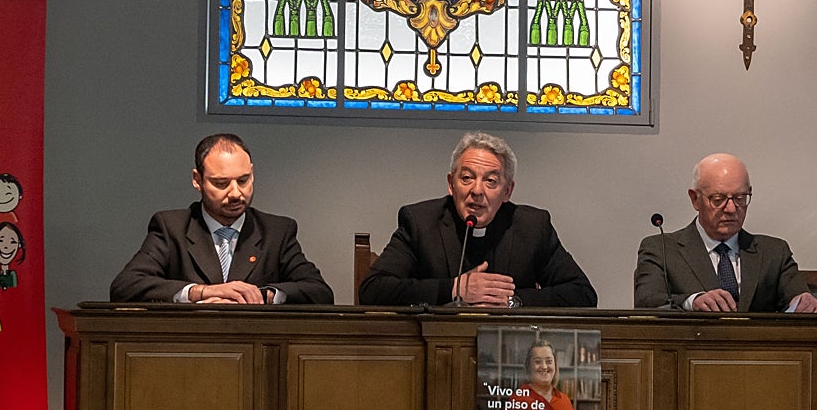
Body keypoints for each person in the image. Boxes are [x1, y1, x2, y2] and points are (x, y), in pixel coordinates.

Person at [359, 132, 595, 307]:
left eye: (490, 181)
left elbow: (582, 293)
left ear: (507, 191)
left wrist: (511, 300)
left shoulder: (533, 227)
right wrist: (454, 288)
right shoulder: (420, 222)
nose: (477, 190)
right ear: (451, 184)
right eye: (467, 178)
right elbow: (373, 289)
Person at [110, 133, 333, 305]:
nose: (235, 193)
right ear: (197, 180)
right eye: (221, 183)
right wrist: (201, 292)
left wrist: (262, 295)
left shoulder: (276, 231)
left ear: (252, 173)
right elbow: (125, 287)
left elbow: (319, 292)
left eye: (243, 180)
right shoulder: (171, 228)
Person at [633, 153, 817, 313]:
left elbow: (798, 298)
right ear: (695, 199)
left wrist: (804, 302)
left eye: (740, 198)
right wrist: (692, 301)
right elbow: (646, 302)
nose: (731, 209)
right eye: (718, 199)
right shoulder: (661, 249)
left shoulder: (774, 252)